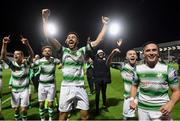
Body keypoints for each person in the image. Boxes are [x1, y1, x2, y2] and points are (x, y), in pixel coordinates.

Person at [42, 9, 110, 120]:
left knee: (85, 116)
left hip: (80, 87)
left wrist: (105, 25)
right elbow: (48, 36)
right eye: (69, 38)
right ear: (66, 41)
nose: (71, 39)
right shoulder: (62, 50)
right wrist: (45, 19)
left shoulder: (83, 51)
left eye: (73, 37)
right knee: (62, 115)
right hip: (66, 87)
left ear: (77, 41)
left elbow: (99, 40)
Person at [130, 42, 180, 120]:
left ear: (158, 53)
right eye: (148, 50)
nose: (151, 53)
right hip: (142, 110)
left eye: (154, 50)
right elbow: (134, 85)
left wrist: (171, 103)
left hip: (162, 111)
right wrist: (132, 99)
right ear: (143, 54)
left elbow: (176, 91)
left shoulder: (168, 70)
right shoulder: (137, 69)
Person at [1, 35, 34, 121]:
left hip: (24, 90)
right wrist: (4, 44)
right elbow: (3, 57)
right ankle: (17, 118)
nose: (15, 55)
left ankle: (24, 119)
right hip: (14, 91)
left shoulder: (26, 63)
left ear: (22, 56)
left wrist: (27, 44)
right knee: (16, 109)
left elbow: (31, 54)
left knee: (24, 109)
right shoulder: (12, 65)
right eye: (14, 54)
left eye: (18, 54)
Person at [32, 46, 60, 121]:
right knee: (41, 104)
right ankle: (42, 118)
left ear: (51, 52)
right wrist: (32, 62)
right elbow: (31, 66)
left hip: (51, 85)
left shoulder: (55, 60)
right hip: (41, 85)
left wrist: (61, 65)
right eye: (45, 51)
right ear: (42, 53)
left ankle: (50, 117)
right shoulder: (40, 61)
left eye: (49, 51)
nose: (47, 52)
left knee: (50, 104)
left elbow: (62, 62)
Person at [111, 46, 138, 120]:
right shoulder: (122, 66)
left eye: (134, 54)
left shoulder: (141, 68)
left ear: (136, 56)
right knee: (126, 118)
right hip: (128, 97)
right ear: (126, 57)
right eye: (130, 54)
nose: (132, 55)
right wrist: (112, 54)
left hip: (141, 97)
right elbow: (108, 64)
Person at [92, 47, 121, 113]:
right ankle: (97, 108)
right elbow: (90, 54)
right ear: (97, 54)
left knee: (104, 94)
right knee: (97, 94)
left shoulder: (106, 61)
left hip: (104, 80)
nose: (101, 54)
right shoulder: (95, 60)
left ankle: (104, 105)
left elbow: (110, 58)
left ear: (103, 54)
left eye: (101, 53)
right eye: (99, 53)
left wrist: (113, 52)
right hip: (97, 80)